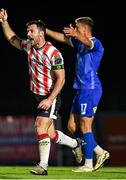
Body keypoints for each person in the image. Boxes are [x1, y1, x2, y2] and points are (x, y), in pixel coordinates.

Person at [0, 8, 83, 176]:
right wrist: (4, 23)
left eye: (31, 31)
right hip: (36, 96)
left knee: (39, 126)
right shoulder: (29, 46)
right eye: (28, 31)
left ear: (41, 34)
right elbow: (14, 40)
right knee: (50, 134)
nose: (28, 34)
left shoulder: (53, 53)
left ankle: (43, 166)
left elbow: (61, 79)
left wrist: (50, 99)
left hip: (50, 95)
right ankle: (75, 144)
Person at [46, 17, 110, 172]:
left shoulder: (96, 43)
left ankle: (88, 164)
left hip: (91, 89)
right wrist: (45, 30)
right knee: (71, 126)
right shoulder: (79, 42)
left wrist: (75, 34)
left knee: (85, 125)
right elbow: (62, 38)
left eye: (77, 27)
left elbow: (88, 42)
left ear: (85, 29)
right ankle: (100, 152)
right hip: (81, 89)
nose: (74, 28)